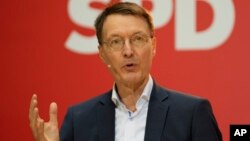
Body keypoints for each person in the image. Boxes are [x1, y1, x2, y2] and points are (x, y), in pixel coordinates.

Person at [29, 2, 222, 141]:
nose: (128, 51)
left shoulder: (192, 113)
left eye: (137, 39)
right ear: (102, 53)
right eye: (116, 42)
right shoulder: (78, 119)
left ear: (153, 45)